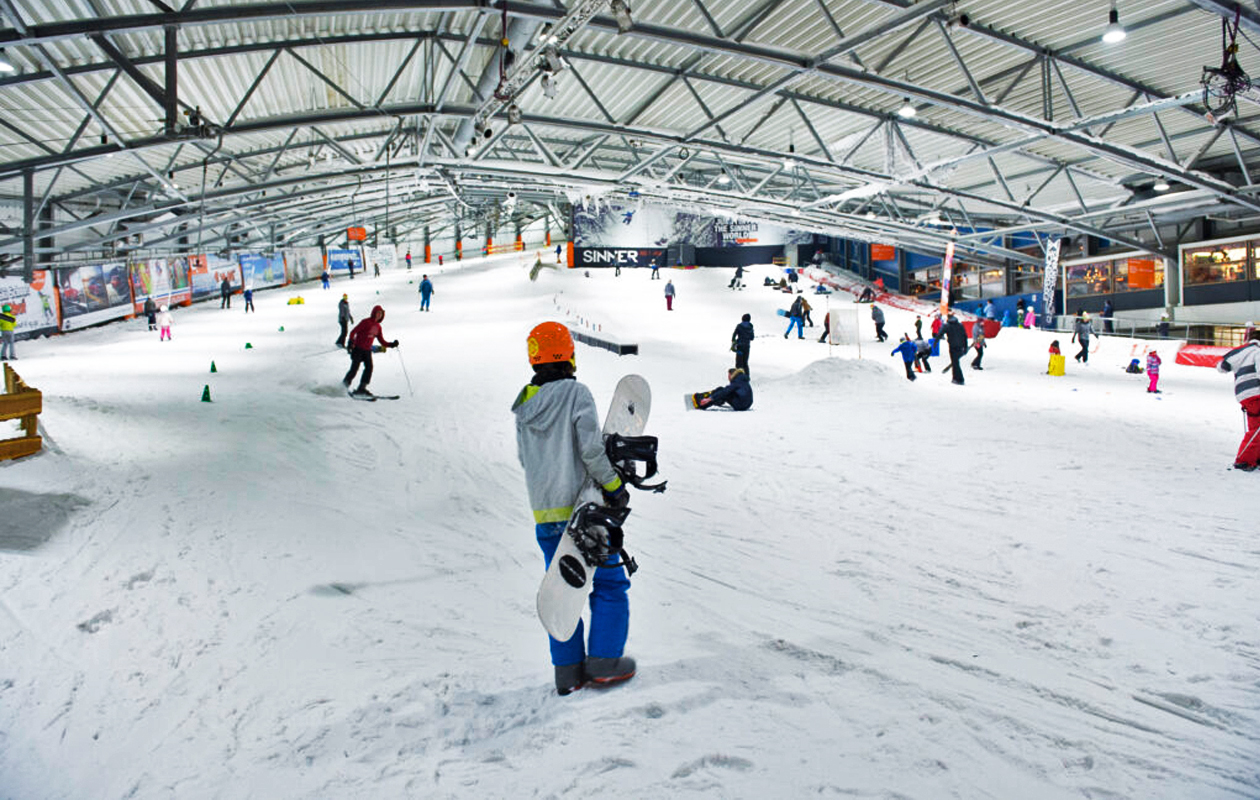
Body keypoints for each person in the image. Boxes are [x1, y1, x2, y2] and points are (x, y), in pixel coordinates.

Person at [511, 321, 635, 695]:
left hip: (545, 516)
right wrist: (614, 487)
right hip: (584, 514)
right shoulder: (575, 393)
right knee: (610, 584)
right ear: (568, 354)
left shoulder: (525, 405)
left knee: (563, 591)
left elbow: (525, 460)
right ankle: (604, 662)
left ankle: (567, 673)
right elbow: (592, 451)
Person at [1218, 330, 1260, 470]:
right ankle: (1244, 460)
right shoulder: (1257, 352)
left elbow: (1221, 367)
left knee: (1255, 427)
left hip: (1244, 394)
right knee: (1257, 430)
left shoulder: (1242, 351)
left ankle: (1255, 457)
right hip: (1256, 392)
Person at [342, 305, 397, 397]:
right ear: (374, 313)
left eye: (381, 313)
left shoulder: (378, 327)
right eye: (378, 313)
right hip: (358, 349)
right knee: (354, 369)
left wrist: (391, 344)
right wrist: (351, 341)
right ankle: (343, 387)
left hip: (367, 351)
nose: (379, 315)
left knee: (369, 368)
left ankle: (362, 388)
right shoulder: (365, 322)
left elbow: (382, 341)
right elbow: (353, 332)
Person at [935, 312, 968, 385]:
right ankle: (955, 378)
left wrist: (935, 343)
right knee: (955, 362)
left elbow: (940, 334)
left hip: (952, 346)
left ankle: (959, 379)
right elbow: (965, 336)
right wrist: (965, 347)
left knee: (955, 362)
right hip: (960, 346)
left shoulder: (947, 325)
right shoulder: (960, 325)